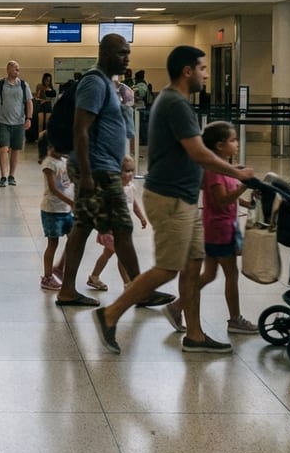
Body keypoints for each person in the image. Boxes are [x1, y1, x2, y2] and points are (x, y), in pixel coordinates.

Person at [92, 45, 255, 356]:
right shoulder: (175, 104)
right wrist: (237, 172)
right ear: (187, 71)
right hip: (170, 198)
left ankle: (194, 335)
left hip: (184, 198)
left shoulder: (176, 101)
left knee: (193, 266)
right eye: (203, 68)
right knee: (169, 268)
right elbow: (198, 152)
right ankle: (110, 314)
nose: (206, 74)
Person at [53, 35, 146, 307]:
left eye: (128, 53)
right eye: (120, 53)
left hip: (102, 167)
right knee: (123, 226)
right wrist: (87, 172)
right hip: (98, 168)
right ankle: (140, 289)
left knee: (82, 227)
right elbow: (80, 129)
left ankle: (68, 289)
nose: (126, 58)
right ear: (103, 53)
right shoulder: (95, 82)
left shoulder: (106, 83)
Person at [161, 122, 258, 334]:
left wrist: (248, 202)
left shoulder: (225, 168)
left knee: (209, 274)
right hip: (219, 230)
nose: (236, 144)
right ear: (219, 145)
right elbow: (222, 200)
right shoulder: (214, 171)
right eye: (232, 140)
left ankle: (176, 307)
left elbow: (228, 197)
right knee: (231, 274)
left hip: (220, 228)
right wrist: (244, 185)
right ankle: (235, 319)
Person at [86, 156, 148, 292]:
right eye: (126, 171)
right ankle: (128, 284)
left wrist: (141, 217)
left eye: (132, 171)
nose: (130, 174)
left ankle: (94, 276)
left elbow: (134, 204)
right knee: (122, 255)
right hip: (111, 230)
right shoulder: (113, 190)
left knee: (107, 254)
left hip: (122, 230)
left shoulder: (131, 187)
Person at [0, 60, 33, 187]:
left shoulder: (24, 85)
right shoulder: (0, 84)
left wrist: (29, 118)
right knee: (3, 149)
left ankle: (12, 176)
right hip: (3, 121)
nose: (17, 71)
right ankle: (3, 176)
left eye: (18, 69)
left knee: (15, 150)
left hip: (19, 122)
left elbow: (29, 102)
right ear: (8, 69)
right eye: (15, 68)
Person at [39, 142, 72, 291]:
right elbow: (53, 188)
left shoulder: (64, 161)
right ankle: (47, 277)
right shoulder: (49, 164)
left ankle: (59, 267)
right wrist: (71, 202)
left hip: (65, 210)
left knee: (74, 239)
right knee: (53, 244)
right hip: (52, 210)